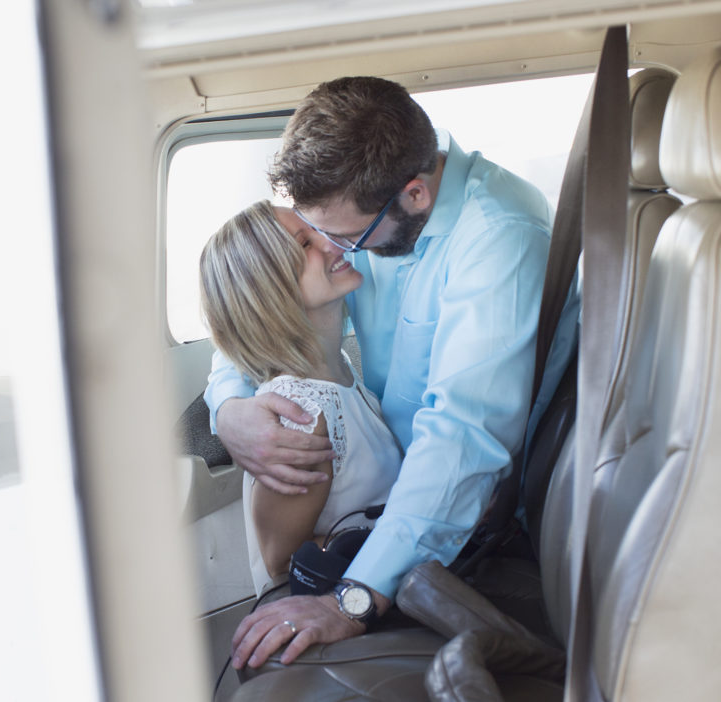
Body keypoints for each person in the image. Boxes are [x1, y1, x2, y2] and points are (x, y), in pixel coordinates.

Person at [202, 76, 555, 670]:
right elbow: (255, 311)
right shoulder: (361, 215)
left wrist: (354, 600)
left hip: (472, 506)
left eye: (346, 236)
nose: (338, 250)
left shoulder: (500, 239)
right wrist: (229, 409)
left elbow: (462, 437)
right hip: (400, 512)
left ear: (415, 194)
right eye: (315, 235)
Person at [199, 199, 403, 596]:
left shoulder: (337, 367)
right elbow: (282, 564)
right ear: (270, 290)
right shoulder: (302, 412)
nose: (333, 243)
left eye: (317, 231)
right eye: (305, 244)